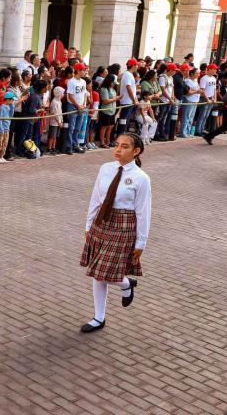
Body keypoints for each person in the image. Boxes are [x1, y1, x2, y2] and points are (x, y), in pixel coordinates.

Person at [80, 132, 151, 333]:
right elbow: (96, 198)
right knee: (98, 273)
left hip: (124, 225)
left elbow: (143, 212)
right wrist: (88, 225)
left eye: (125, 147)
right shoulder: (105, 169)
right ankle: (99, 317)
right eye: (117, 145)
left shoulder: (141, 178)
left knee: (103, 270)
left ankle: (125, 283)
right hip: (102, 222)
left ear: (136, 151)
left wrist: (140, 243)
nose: (118, 150)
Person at [65, 63, 89, 154]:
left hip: (81, 107)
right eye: (83, 70)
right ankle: (69, 146)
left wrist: (84, 104)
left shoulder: (83, 81)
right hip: (72, 106)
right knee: (71, 127)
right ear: (78, 71)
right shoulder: (71, 81)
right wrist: (78, 106)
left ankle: (75, 145)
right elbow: (70, 95)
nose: (84, 71)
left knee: (77, 128)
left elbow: (85, 93)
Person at [194, 63, 218, 136]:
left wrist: (215, 98)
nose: (215, 70)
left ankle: (202, 129)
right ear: (210, 69)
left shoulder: (214, 78)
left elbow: (214, 89)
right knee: (202, 115)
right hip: (205, 99)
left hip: (211, 98)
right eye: (214, 69)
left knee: (206, 115)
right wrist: (207, 99)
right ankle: (198, 130)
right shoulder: (204, 78)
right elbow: (202, 90)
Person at [117, 59, 139, 135]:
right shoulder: (127, 74)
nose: (137, 66)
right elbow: (128, 88)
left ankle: (123, 134)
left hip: (129, 101)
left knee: (126, 120)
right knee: (123, 120)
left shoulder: (129, 74)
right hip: (127, 101)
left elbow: (132, 89)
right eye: (136, 65)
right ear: (133, 66)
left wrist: (135, 99)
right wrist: (134, 100)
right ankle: (120, 135)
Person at [181, 68, 200, 138]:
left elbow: (196, 90)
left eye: (198, 73)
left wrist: (196, 91)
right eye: (196, 73)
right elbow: (188, 92)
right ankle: (183, 132)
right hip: (189, 100)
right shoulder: (187, 81)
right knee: (186, 117)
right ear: (192, 74)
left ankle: (188, 132)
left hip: (195, 100)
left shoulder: (195, 81)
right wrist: (196, 91)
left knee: (191, 117)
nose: (198, 74)